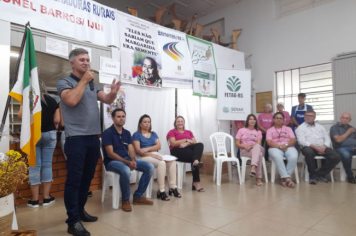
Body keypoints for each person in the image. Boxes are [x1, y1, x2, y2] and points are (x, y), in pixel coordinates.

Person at [57, 48, 122, 236]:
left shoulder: (93, 83)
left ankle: (80, 210)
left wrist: (113, 93)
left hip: (94, 137)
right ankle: (72, 221)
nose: (86, 63)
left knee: (87, 179)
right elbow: (70, 100)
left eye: (88, 59)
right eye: (82, 60)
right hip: (75, 138)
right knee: (74, 181)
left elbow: (107, 100)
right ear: (72, 63)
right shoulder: (65, 82)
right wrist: (84, 80)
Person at [102, 109, 155, 211]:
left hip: (127, 160)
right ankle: (125, 200)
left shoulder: (126, 133)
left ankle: (138, 196)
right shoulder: (107, 133)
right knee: (125, 170)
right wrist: (127, 162)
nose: (121, 119)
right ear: (113, 118)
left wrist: (133, 160)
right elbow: (110, 154)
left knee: (149, 167)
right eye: (118, 116)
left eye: (123, 116)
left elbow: (131, 149)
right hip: (112, 162)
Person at [19, 80, 60, 208]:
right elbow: (57, 120)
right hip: (50, 135)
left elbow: (20, 115)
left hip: (34, 135)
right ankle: (47, 198)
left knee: (34, 166)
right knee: (47, 165)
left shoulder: (29, 100)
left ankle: (35, 200)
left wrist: (23, 102)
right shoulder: (52, 100)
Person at [132, 115, 181, 201]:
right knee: (161, 163)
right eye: (145, 122)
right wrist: (151, 154)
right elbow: (138, 151)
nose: (147, 124)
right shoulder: (136, 134)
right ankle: (161, 190)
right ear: (140, 124)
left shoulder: (153, 134)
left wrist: (148, 149)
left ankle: (173, 187)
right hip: (143, 156)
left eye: (148, 122)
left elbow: (158, 146)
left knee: (172, 161)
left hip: (153, 154)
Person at [296, 110, 341, 184]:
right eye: (306, 115)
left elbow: (327, 138)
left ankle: (320, 174)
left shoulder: (320, 127)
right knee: (308, 152)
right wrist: (315, 147)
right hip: (308, 147)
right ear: (304, 116)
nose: (308, 117)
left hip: (322, 147)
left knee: (337, 157)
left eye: (310, 116)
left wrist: (325, 146)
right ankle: (312, 176)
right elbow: (301, 141)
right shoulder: (300, 128)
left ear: (314, 117)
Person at [58, 103, 93, 197]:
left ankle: (81, 191)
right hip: (70, 135)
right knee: (75, 168)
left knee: (82, 167)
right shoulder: (63, 104)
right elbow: (62, 123)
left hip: (81, 135)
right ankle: (76, 193)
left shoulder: (82, 106)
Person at [167, 116, 205, 192]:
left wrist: (186, 144)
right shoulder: (172, 132)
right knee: (194, 156)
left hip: (187, 149)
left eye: (182, 121)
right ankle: (196, 182)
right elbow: (173, 143)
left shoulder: (189, 132)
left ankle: (195, 161)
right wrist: (186, 140)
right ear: (175, 123)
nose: (180, 123)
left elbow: (194, 142)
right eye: (178, 121)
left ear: (184, 123)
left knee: (200, 144)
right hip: (176, 151)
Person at [267, 112, 298, 188]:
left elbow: (293, 140)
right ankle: (287, 178)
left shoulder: (288, 129)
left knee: (293, 157)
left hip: (288, 147)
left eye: (281, 118)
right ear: (273, 119)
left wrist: (285, 145)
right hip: (274, 147)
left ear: (283, 120)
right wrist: (279, 146)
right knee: (278, 157)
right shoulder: (270, 130)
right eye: (277, 118)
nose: (279, 119)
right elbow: (269, 142)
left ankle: (284, 178)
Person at [235, 114, 264, 186]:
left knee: (257, 146)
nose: (252, 121)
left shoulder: (258, 131)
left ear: (256, 121)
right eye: (250, 119)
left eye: (254, 119)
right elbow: (237, 144)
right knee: (259, 155)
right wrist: (244, 146)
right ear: (247, 121)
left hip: (255, 148)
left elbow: (259, 142)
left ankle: (253, 166)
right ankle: (258, 178)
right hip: (245, 151)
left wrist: (250, 146)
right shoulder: (241, 130)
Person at [330, 113, 356, 184]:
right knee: (346, 155)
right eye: (343, 117)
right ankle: (350, 176)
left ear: (350, 120)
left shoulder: (352, 127)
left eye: (347, 118)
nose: (345, 119)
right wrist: (348, 132)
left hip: (354, 148)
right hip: (341, 148)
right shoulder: (334, 127)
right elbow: (338, 140)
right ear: (340, 118)